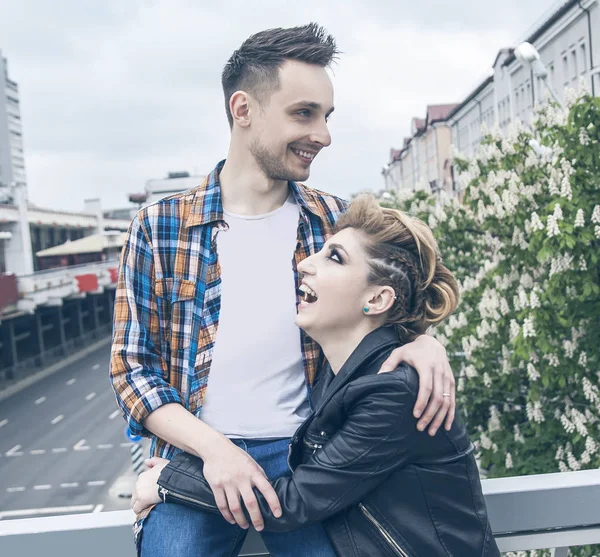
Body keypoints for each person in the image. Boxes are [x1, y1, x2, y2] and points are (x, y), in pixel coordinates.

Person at [110, 23, 458, 557]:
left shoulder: (333, 220)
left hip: (308, 456)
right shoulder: (159, 225)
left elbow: (389, 297)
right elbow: (132, 368)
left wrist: (422, 341)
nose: (323, 133)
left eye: (325, 116)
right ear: (243, 109)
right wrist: (215, 451)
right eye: (304, 113)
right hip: (195, 453)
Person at [132, 194, 500, 556]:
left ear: (376, 300)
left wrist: (165, 481)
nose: (305, 263)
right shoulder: (338, 378)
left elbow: (294, 504)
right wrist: (424, 341)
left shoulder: (395, 391)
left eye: (335, 258)